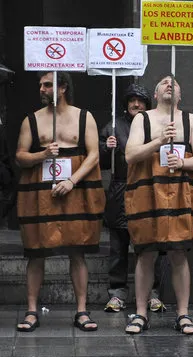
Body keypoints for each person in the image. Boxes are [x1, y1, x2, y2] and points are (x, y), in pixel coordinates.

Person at [15, 71, 105, 332]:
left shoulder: (83, 117)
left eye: (47, 85)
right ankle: (32, 311)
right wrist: (42, 153)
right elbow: (21, 156)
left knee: (77, 250)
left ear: (63, 87)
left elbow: (93, 155)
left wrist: (72, 181)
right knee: (36, 252)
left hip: (74, 189)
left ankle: (81, 310)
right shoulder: (31, 120)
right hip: (40, 193)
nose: (41, 89)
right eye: (40, 85)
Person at [124, 75, 193, 335]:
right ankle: (140, 313)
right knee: (145, 252)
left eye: (175, 83)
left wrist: (182, 163)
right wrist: (159, 140)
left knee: (179, 253)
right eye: (164, 82)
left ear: (180, 95)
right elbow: (130, 155)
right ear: (156, 94)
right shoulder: (142, 119)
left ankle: (183, 314)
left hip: (181, 192)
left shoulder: (192, 120)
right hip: (148, 191)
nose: (170, 84)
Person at [99, 83, 168, 313]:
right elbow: (98, 159)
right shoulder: (113, 126)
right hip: (120, 190)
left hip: (148, 189)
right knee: (118, 247)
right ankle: (117, 293)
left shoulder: (154, 124)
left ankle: (152, 293)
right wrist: (105, 148)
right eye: (132, 100)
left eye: (140, 100)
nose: (135, 104)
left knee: (149, 245)